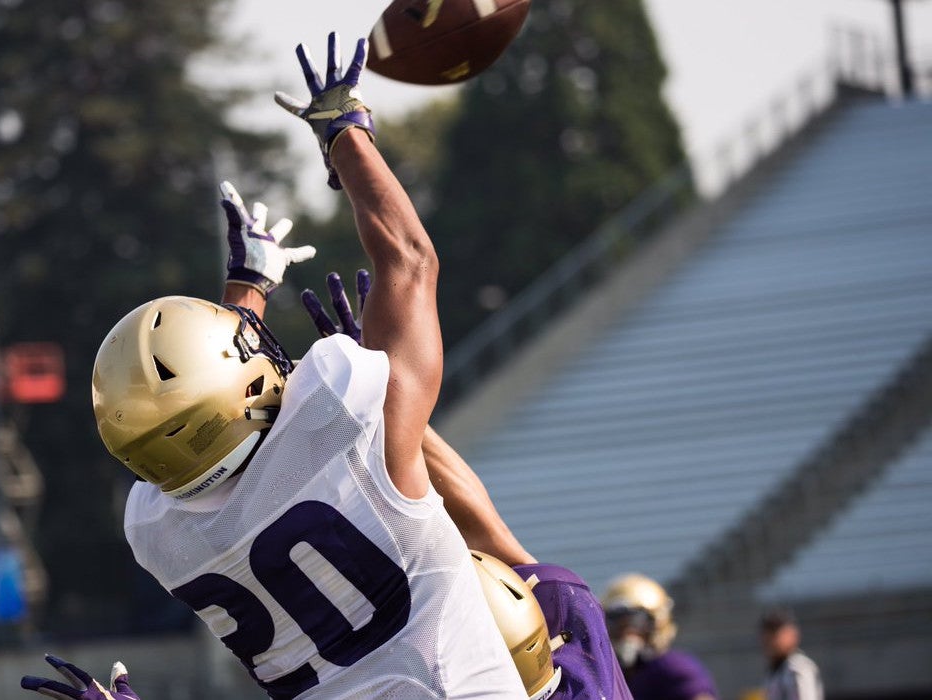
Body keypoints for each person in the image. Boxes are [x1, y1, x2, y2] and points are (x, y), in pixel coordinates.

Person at [80, 32, 525, 699]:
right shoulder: (339, 418)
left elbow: (205, 418)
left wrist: (247, 291)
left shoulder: (159, 534)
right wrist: (344, 133)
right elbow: (410, 259)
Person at [304, 270, 633, 700]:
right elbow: (484, 529)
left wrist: (384, 392)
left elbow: (483, 528)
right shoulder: (566, 618)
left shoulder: (563, 615)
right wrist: (390, 395)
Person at [600, 573, 719, 700]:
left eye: (635, 624)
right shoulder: (612, 674)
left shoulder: (671, 667)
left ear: (657, 623)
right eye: (617, 626)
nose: (627, 635)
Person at [760, 608, 823, 700]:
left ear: (792, 635)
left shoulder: (798, 668)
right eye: (766, 636)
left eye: (775, 635)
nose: (770, 641)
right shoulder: (774, 671)